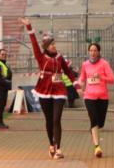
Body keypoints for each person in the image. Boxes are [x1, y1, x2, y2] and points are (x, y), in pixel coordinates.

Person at [20, 17, 76, 159]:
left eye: (54, 43)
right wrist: (29, 27)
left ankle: (58, 149)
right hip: (44, 89)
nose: (54, 46)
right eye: (52, 44)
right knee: (49, 120)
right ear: (46, 47)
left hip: (59, 90)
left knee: (57, 119)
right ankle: (51, 144)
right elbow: (34, 43)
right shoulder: (41, 57)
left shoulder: (60, 57)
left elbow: (68, 72)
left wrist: (75, 84)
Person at [77, 42, 114, 158]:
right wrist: (79, 86)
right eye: (91, 50)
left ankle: (95, 132)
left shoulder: (104, 64)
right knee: (93, 120)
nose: (93, 52)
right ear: (89, 52)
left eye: (95, 50)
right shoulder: (85, 64)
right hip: (89, 97)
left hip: (103, 97)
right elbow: (82, 78)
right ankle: (97, 147)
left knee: (100, 124)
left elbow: (112, 79)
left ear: (98, 52)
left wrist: (101, 77)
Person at [0, 48, 12, 129]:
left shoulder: (3, 64)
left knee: (2, 105)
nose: (4, 56)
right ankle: (0, 123)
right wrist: (6, 83)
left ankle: (1, 122)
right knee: (1, 105)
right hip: (1, 87)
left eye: (5, 54)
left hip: (3, 87)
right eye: (2, 54)